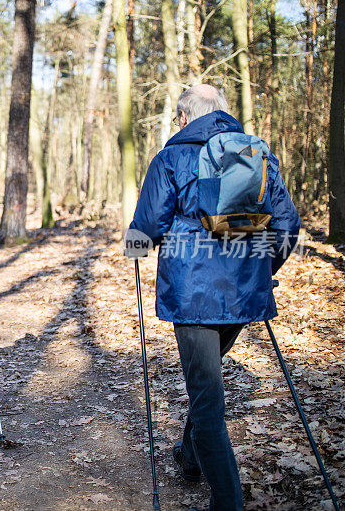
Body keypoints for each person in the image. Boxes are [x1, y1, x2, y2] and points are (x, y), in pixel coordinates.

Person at [127, 84, 300, 511]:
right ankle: (189, 458)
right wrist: (260, 272)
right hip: (242, 295)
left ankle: (228, 500)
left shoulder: (171, 157)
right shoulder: (257, 154)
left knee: (207, 399)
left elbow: (146, 228)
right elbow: (288, 225)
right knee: (206, 390)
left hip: (192, 298)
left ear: (185, 117)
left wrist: (133, 250)